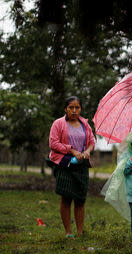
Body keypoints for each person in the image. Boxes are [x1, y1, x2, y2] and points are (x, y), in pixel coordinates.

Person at [48, 96, 95, 239]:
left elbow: (92, 142)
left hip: (81, 165)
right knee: (66, 198)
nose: (74, 111)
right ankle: (68, 232)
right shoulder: (58, 124)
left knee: (81, 199)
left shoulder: (85, 124)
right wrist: (71, 150)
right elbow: (53, 143)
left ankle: (80, 232)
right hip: (65, 164)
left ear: (80, 109)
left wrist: (87, 151)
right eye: (71, 107)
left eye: (77, 108)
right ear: (65, 109)